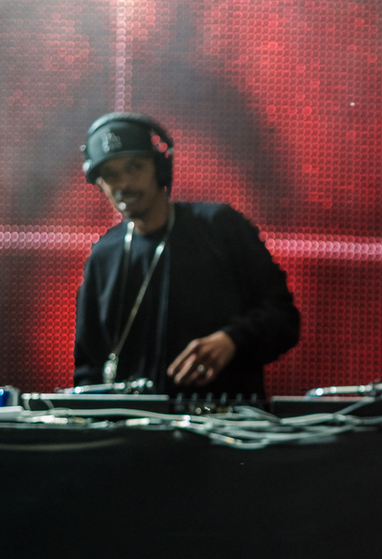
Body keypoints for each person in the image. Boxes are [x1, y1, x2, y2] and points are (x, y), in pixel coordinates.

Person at [74, 112, 299, 397]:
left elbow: (284, 317)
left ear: (160, 167)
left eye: (134, 168)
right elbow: (88, 367)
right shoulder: (103, 256)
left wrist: (231, 340)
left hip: (222, 428)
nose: (124, 184)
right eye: (110, 174)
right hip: (130, 432)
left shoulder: (219, 226)